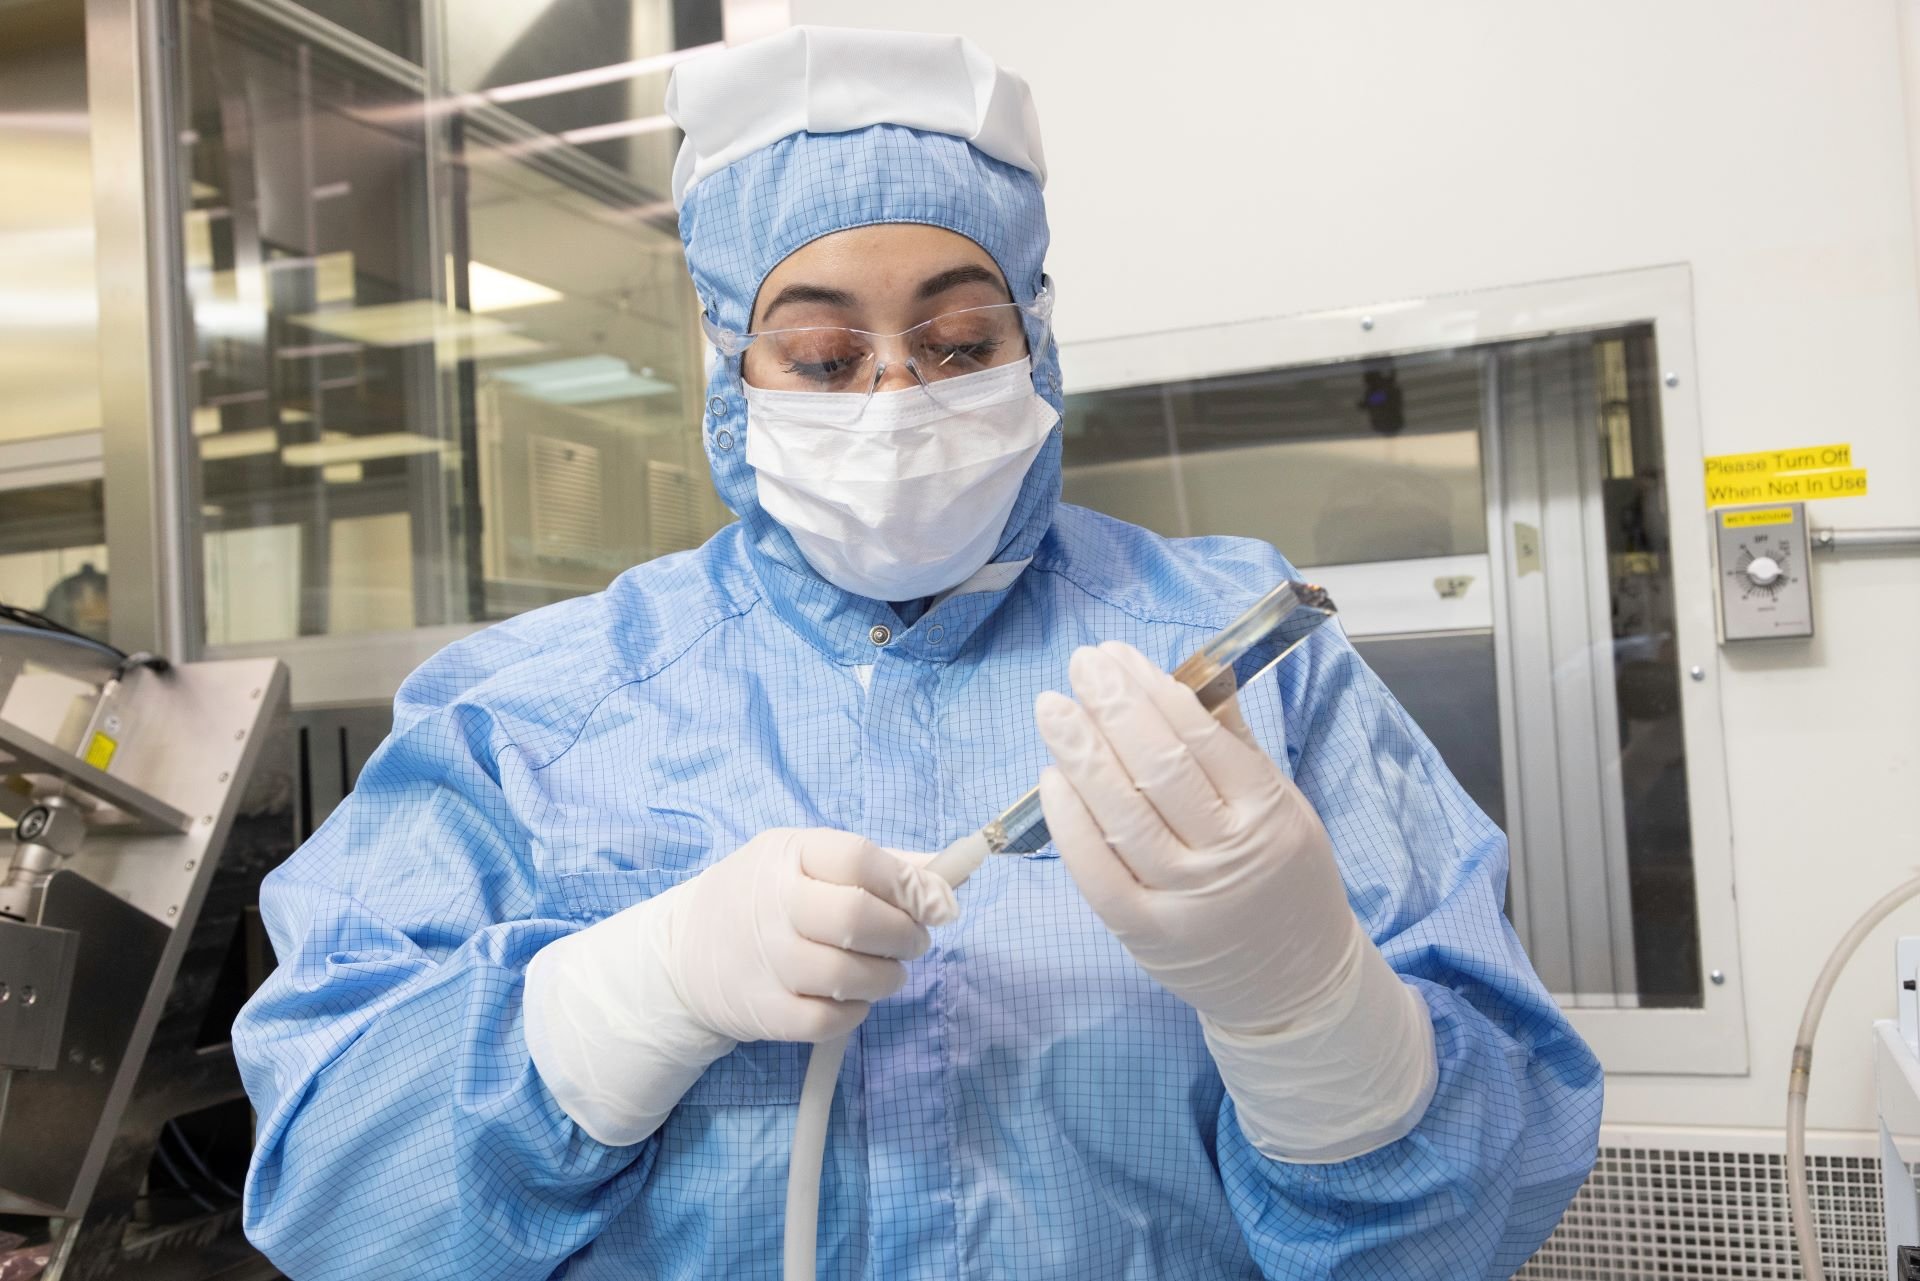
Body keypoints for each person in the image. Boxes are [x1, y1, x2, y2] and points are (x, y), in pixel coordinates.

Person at [232, 26, 1602, 1280]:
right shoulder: (534, 716)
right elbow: (339, 1196)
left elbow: (1467, 1223)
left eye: (957, 342)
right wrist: (630, 994)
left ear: (1036, 343)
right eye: (824, 359)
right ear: (730, 375)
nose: (897, 401)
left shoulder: (1244, 670)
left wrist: (1306, 1000)